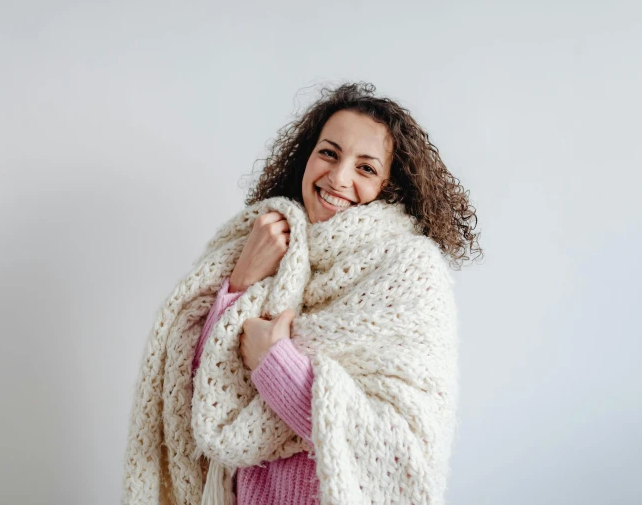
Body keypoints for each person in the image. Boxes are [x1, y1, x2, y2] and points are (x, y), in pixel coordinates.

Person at [188, 82, 483, 504]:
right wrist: (241, 281)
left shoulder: (410, 270)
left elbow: (398, 452)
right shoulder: (266, 240)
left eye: (365, 168)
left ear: (391, 184)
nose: (338, 177)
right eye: (329, 153)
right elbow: (204, 388)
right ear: (306, 158)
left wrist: (274, 362)